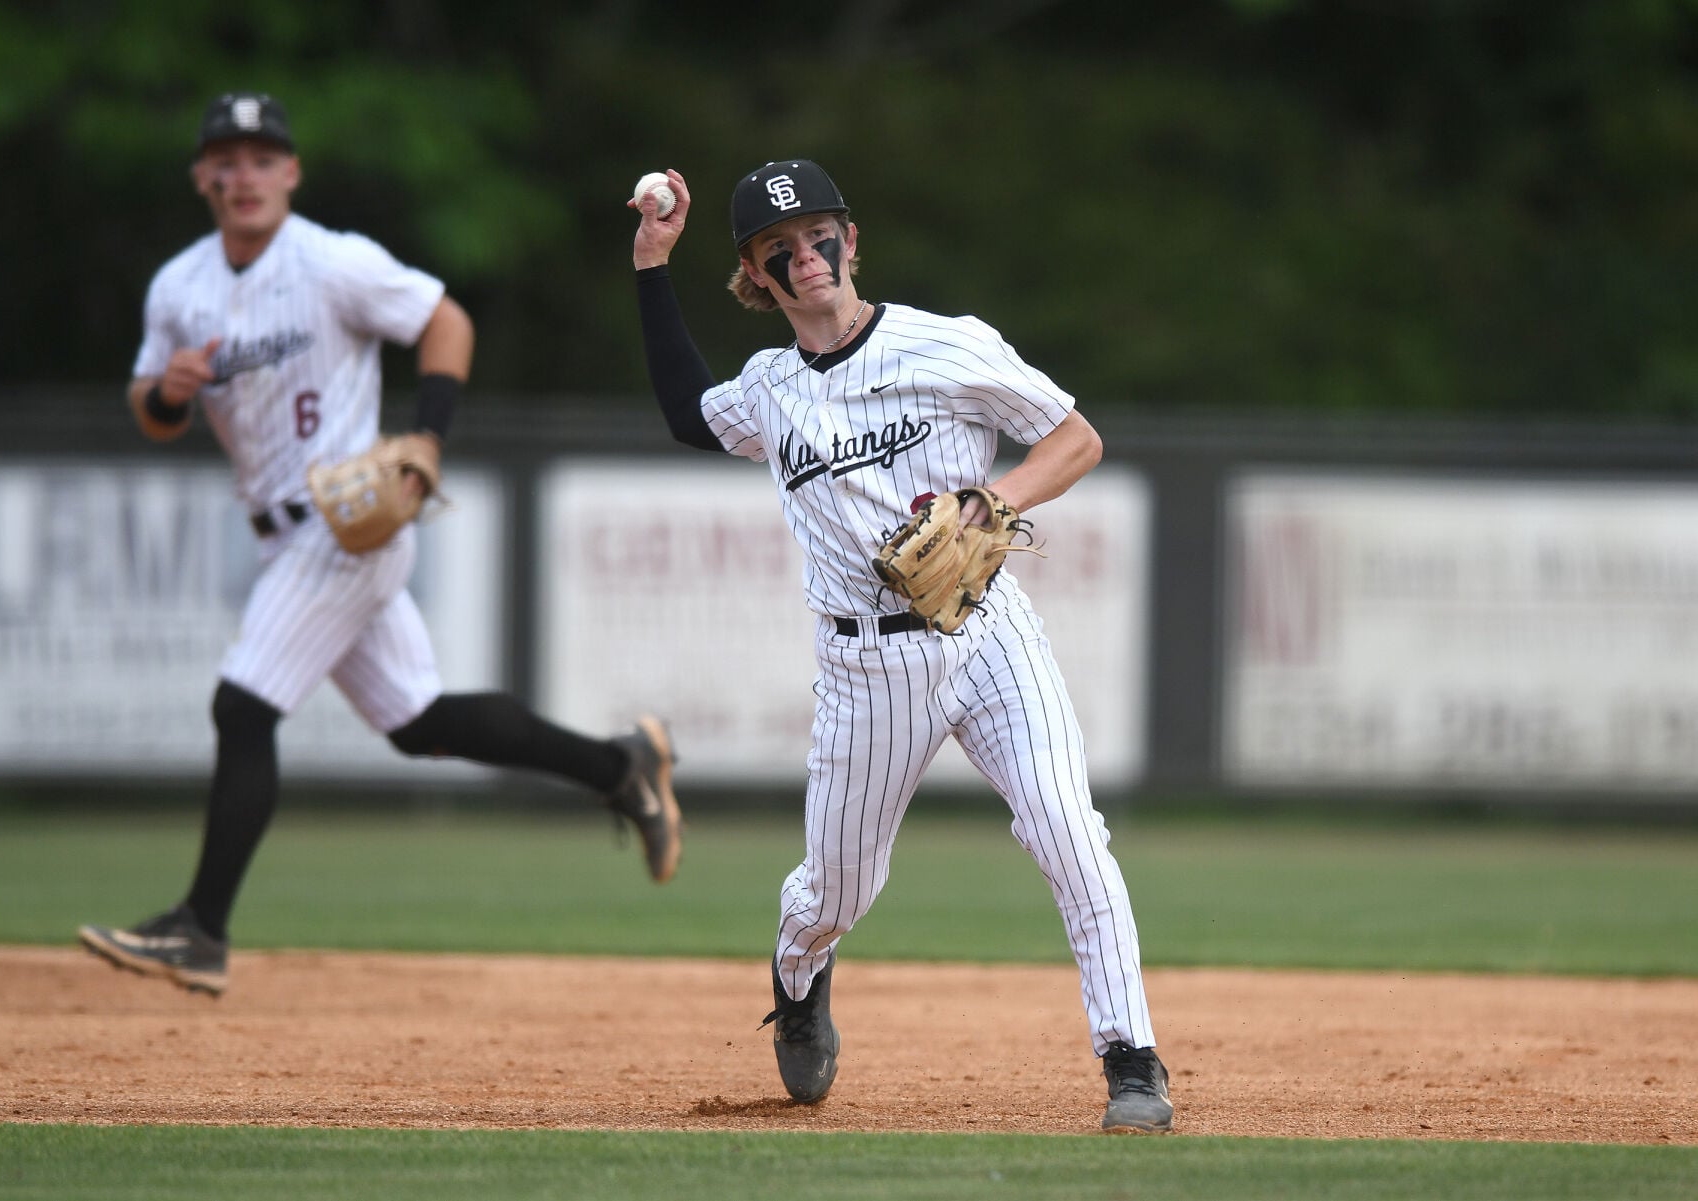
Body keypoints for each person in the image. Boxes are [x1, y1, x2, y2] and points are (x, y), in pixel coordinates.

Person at [77, 91, 682, 999]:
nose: (243, 174)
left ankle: (201, 927)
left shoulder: (331, 263)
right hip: (282, 540)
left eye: (260, 157)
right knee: (420, 723)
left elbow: (446, 323)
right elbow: (151, 414)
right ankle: (619, 765)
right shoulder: (179, 286)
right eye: (226, 159)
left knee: (243, 709)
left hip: (349, 523)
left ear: (291, 172)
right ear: (204, 176)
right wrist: (167, 392)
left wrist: (427, 442)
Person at [627, 160, 1172, 1133]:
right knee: (834, 891)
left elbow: (1073, 439)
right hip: (864, 664)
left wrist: (992, 501)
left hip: (986, 625)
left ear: (850, 238)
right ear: (755, 278)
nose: (808, 256)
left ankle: (1130, 1059)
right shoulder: (769, 388)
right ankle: (797, 980)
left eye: (820, 233)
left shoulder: (945, 344)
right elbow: (685, 413)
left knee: (1066, 829)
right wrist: (650, 266)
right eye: (778, 250)